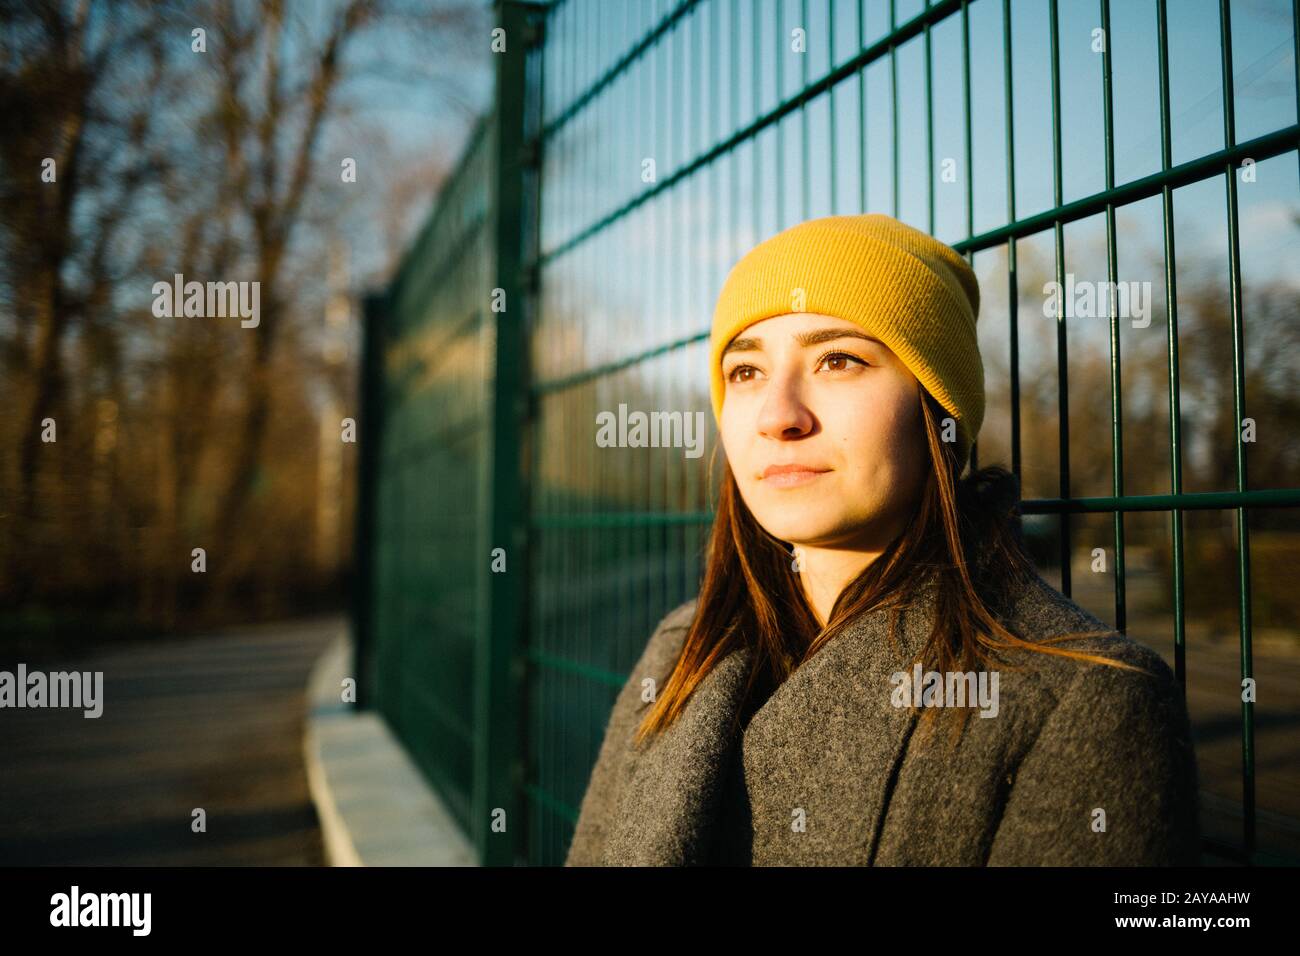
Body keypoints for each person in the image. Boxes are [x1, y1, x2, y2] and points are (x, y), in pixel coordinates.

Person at [564, 213, 1201, 866]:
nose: (779, 415)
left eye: (838, 360)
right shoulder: (682, 653)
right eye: (746, 372)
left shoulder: (1087, 703)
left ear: (936, 408)